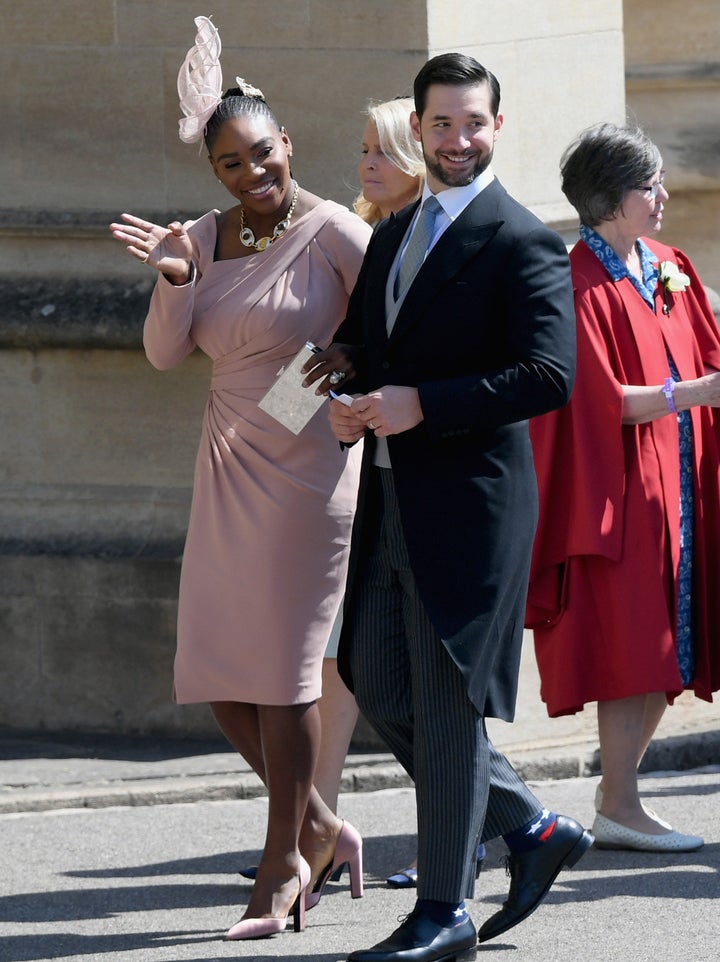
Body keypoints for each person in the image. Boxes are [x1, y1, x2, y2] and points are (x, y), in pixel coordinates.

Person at [304, 52, 591, 961]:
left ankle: (443, 914)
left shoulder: (523, 239)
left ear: (497, 128)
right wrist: (334, 389)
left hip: (471, 516)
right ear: (418, 127)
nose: (457, 140)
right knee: (381, 685)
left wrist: (422, 402)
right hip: (389, 504)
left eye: (473, 123)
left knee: (448, 702)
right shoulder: (393, 235)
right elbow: (367, 346)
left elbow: (550, 375)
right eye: (440, 123)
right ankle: (531, 826)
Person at [109, 17, 370, 941]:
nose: (252, 176)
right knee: (219, 667)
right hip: (225, 461)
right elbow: (161, 355)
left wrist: (344, 356)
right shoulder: (202, 237)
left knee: (288, 672)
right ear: (212, 168)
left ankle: (281, 865)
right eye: (230, 164)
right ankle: (327, 831)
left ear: (286, 142)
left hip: (307, 469)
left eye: (262, 155)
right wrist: (175, 279)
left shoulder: (334, 228)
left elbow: (387, 323)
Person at [527, 122, 720, 853]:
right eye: (651, 187)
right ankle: (622, 802)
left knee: (673, 644)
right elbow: (597, 400)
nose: (665, 197)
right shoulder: (578, 284)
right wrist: (698, 391)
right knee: (631, 645)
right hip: (621, 491)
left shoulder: (667, 263)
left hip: (682, 484)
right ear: (610, 202)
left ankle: (618, 800)